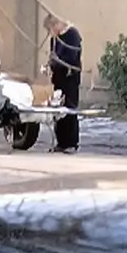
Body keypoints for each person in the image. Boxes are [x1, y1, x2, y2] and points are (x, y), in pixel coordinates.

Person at [44, 14, 82, 153]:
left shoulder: (72, 34)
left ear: (57, 25)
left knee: (69, 108)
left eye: (51, 29)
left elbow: (71, 57)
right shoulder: (55, 39)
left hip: (70, 77)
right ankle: (61, 142)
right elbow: (52, 55)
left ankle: (71, 143)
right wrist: (50, 66)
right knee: (57, 109)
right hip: (58, 78)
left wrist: (57, 60)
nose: (51, 33)